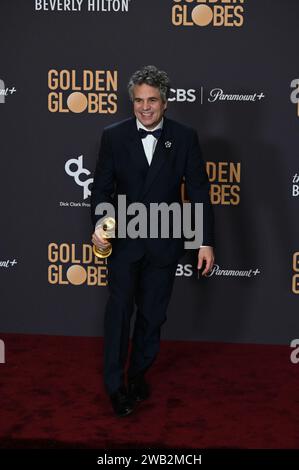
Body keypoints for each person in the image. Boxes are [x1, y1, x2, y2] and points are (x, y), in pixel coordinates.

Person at [91, 65, 215, 417]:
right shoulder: (113, 136)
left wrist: (204, 241)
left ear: (166, 102)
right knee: (118, 314)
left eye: (153, 101)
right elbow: (102, 188)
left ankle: (138, 374)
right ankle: (115, 387)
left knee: (153, 316)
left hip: (164, 241)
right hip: (125, 241)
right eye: (139, 101)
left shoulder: (185, 136)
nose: (145, 108)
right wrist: (101, 225)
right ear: (132, 102)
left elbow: (199, 192)